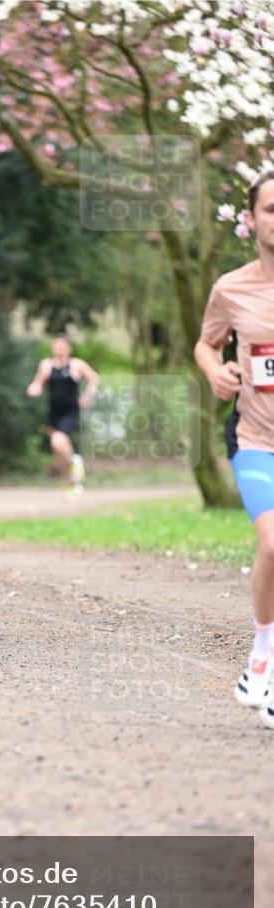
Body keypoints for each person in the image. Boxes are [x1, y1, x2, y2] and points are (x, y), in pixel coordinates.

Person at [194, 168, 274, 730]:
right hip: (257, 439)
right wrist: (215, 371)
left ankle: (258, 670)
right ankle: (265, 652)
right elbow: (205, 342)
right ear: (251, 220)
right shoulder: (231, 288)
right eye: (271, 208)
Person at [26, 333, 100, 493]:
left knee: (58, 442)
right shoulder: (46, 365)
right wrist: (34, 389)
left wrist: (87, 396)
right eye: (56, 346)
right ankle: (74, 483)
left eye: (62, 346)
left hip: (70, 412)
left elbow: (94, 379)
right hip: (53, 413)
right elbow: (38, 383)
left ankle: (75, 461)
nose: (58, 349)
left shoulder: (76, 365)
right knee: (59, 454)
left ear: (69, 348)